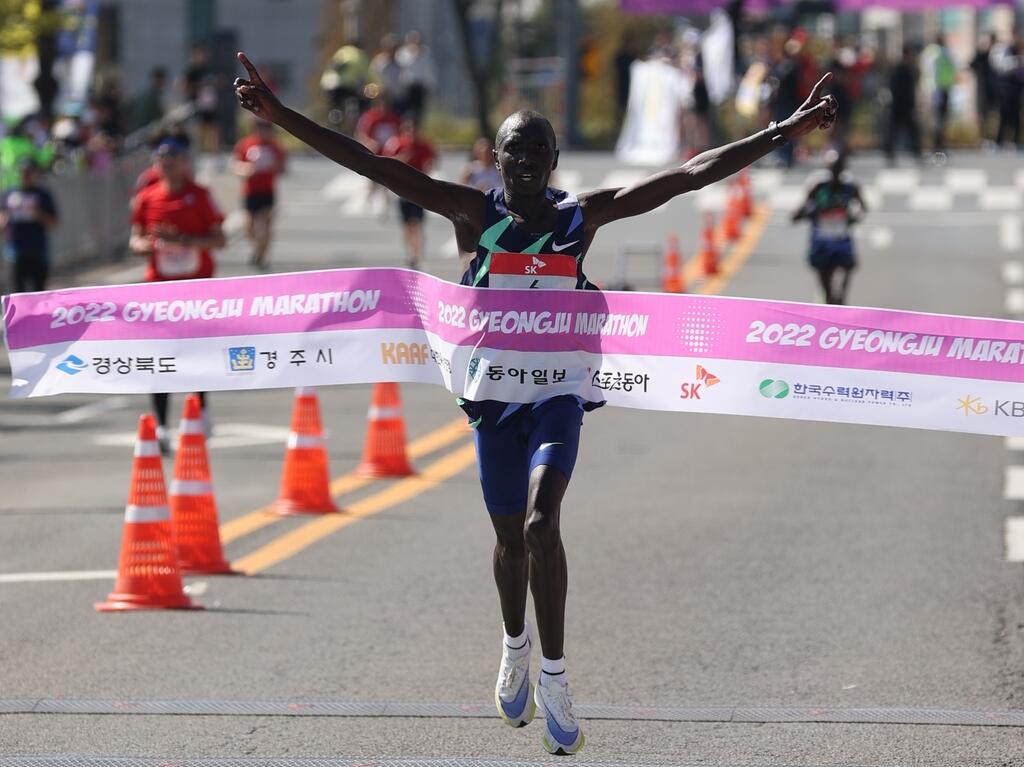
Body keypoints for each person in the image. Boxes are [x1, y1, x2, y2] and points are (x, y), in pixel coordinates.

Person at [235, 51, 836, 755]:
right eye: (512, 149)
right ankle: (514, 643)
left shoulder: (579, 219)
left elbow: (687, 175)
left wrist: (782, 131)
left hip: (557, 394)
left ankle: (554, 673)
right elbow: (373, 164)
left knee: (544, 520)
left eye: (537, 151)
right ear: (495, 156)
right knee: (508, 536)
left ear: (552, 160)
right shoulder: (471, 209)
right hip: (494, 401)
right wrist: (281, 119)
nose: (523, 161)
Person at [129, 135, 226, 453]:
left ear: (185, 164)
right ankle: (160, 425)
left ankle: (201, 411)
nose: (168, 167)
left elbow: (219, 239)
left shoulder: (199, 196)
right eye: (162, 162)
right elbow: (136, 240)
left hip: (197, 290)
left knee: (198, 356)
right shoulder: (147, 198)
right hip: (160, 290)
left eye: (173, 162)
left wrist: (184, 241)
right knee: (160, 359)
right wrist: (149, 245)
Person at [791, 150, 866, 305]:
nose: (836, 172)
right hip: (822, 240)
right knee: (826, 284)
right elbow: (803, 207)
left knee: (847, 268)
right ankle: (830, 301)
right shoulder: (819, 186)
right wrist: (802, 214)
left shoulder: (850, 187)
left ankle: (840, 300)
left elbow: (863, 207)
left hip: (841, 238)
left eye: (839, 168)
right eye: (833, 168)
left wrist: (854, 217)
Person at [381, 118, 436, 270]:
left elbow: (431, 160)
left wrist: (428, 171)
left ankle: (418, 254)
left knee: (417, 223)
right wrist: (402, 158)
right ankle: (410, 253)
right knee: (407, 226)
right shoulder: (396, 144)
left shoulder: (422, 145)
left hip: (418, 190)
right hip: (402, 191)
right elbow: (387, 162)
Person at [232, 119, 287, 268]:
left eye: (266, 128)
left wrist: (271, 168)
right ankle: (258, 248)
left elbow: (283, 168)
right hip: (250, 191)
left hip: (267, 191)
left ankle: (263, 255)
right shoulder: (246, 144)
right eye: (260, 127)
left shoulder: (275, 146)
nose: (263, 131)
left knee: (265, 225)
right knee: (249, 229)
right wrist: (247, 170)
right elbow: (236, 165)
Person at [0, 159, 58, 293]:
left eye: (27, 173)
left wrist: (37, 213)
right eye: (21, 173)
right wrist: (5, 219)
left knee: (38, 291)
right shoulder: (8, 194)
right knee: (17, 291)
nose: (24, 176)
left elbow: (53, 222)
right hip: (15, 250)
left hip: (37, 249)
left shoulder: (42, 194)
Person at [886, 44, 923, 165]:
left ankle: (916, 153)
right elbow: (895, 87)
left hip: (905, 105)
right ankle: (890, 153)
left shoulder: (908, 68)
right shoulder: (900, 69)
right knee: (896, 130)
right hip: (900, 105)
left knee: (910, 130)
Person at [395, 30, 436, 124]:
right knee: (405, 113)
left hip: (419, 88)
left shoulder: (425, 54)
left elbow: (429, 71)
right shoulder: (402, 54)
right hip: (406, 88)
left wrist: (430, 87)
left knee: (418, 113)